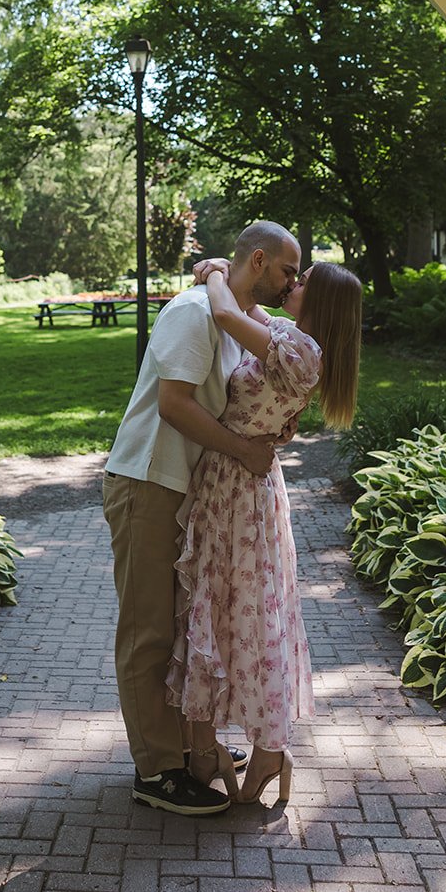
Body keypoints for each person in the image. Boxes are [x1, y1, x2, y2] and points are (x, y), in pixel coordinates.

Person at [103, 221, 302, 816]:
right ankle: (156, 771)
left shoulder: (233, 319)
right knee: (149, 632)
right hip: (148, 482)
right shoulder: (193, 313)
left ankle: (185, 755)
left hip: (181, 491)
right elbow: (175, 404)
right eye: (289, 271)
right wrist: (243, 451)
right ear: (261, 261)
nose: (294, 282)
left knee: (177, 625)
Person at [166, 258, 362, 804]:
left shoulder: (302, 351)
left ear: (318, 301)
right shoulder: (293, 339)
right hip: (234, 483)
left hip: (239, 488)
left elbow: (229, 313)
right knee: (222, 607)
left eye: (302, 283)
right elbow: (247, 310)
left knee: (238, 612)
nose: (291, 286)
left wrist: (211, 273)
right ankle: (207, 747)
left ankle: (260, 749)